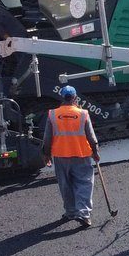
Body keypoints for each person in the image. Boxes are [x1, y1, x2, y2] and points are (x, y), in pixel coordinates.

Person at [45, 85, 102, 226]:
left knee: (65, 185)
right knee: (84, 183)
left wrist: (46, 155)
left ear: (62, 97)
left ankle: (70, 212)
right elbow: (92, 138)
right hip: (81, 155)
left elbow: (47, 139)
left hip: (60, 156)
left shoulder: (52, 114)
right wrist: (95, 153)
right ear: (75, 98)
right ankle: (83, 214)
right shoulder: (83, 114)